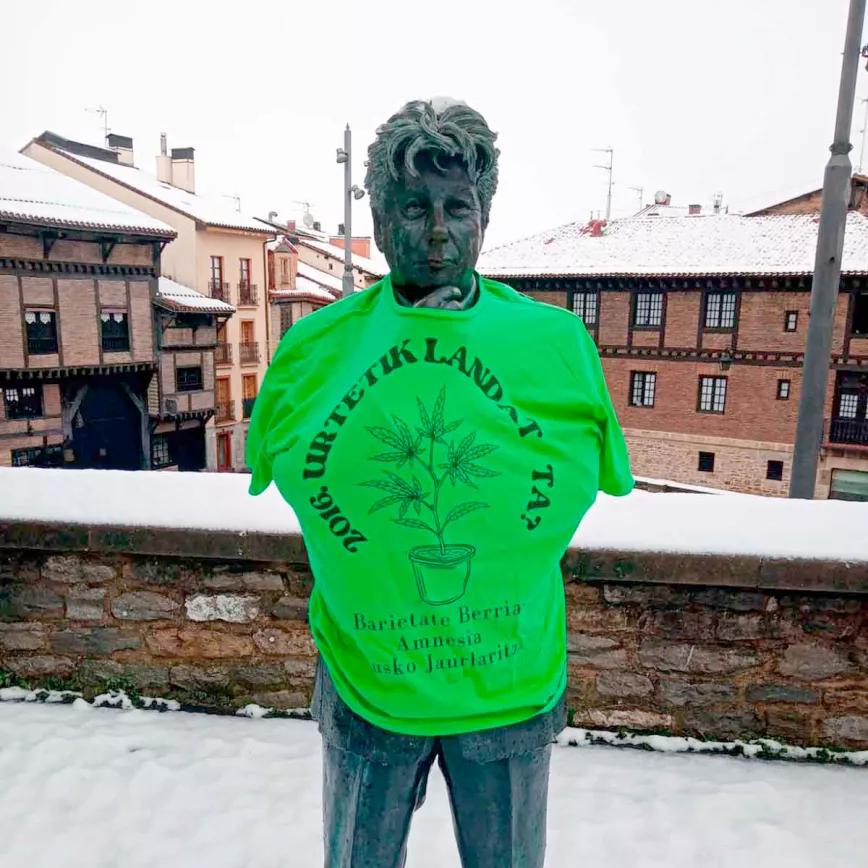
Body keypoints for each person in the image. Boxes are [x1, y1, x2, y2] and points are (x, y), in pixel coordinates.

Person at [246, 98, 634, 868]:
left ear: (484, 216)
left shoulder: (554, 346)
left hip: (508, 686)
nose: (434, 231)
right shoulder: (312, 351)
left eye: (457, 208)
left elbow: (586, 479)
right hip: (369, 685)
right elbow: (291, 472)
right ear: (379, 220)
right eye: (411, 208)